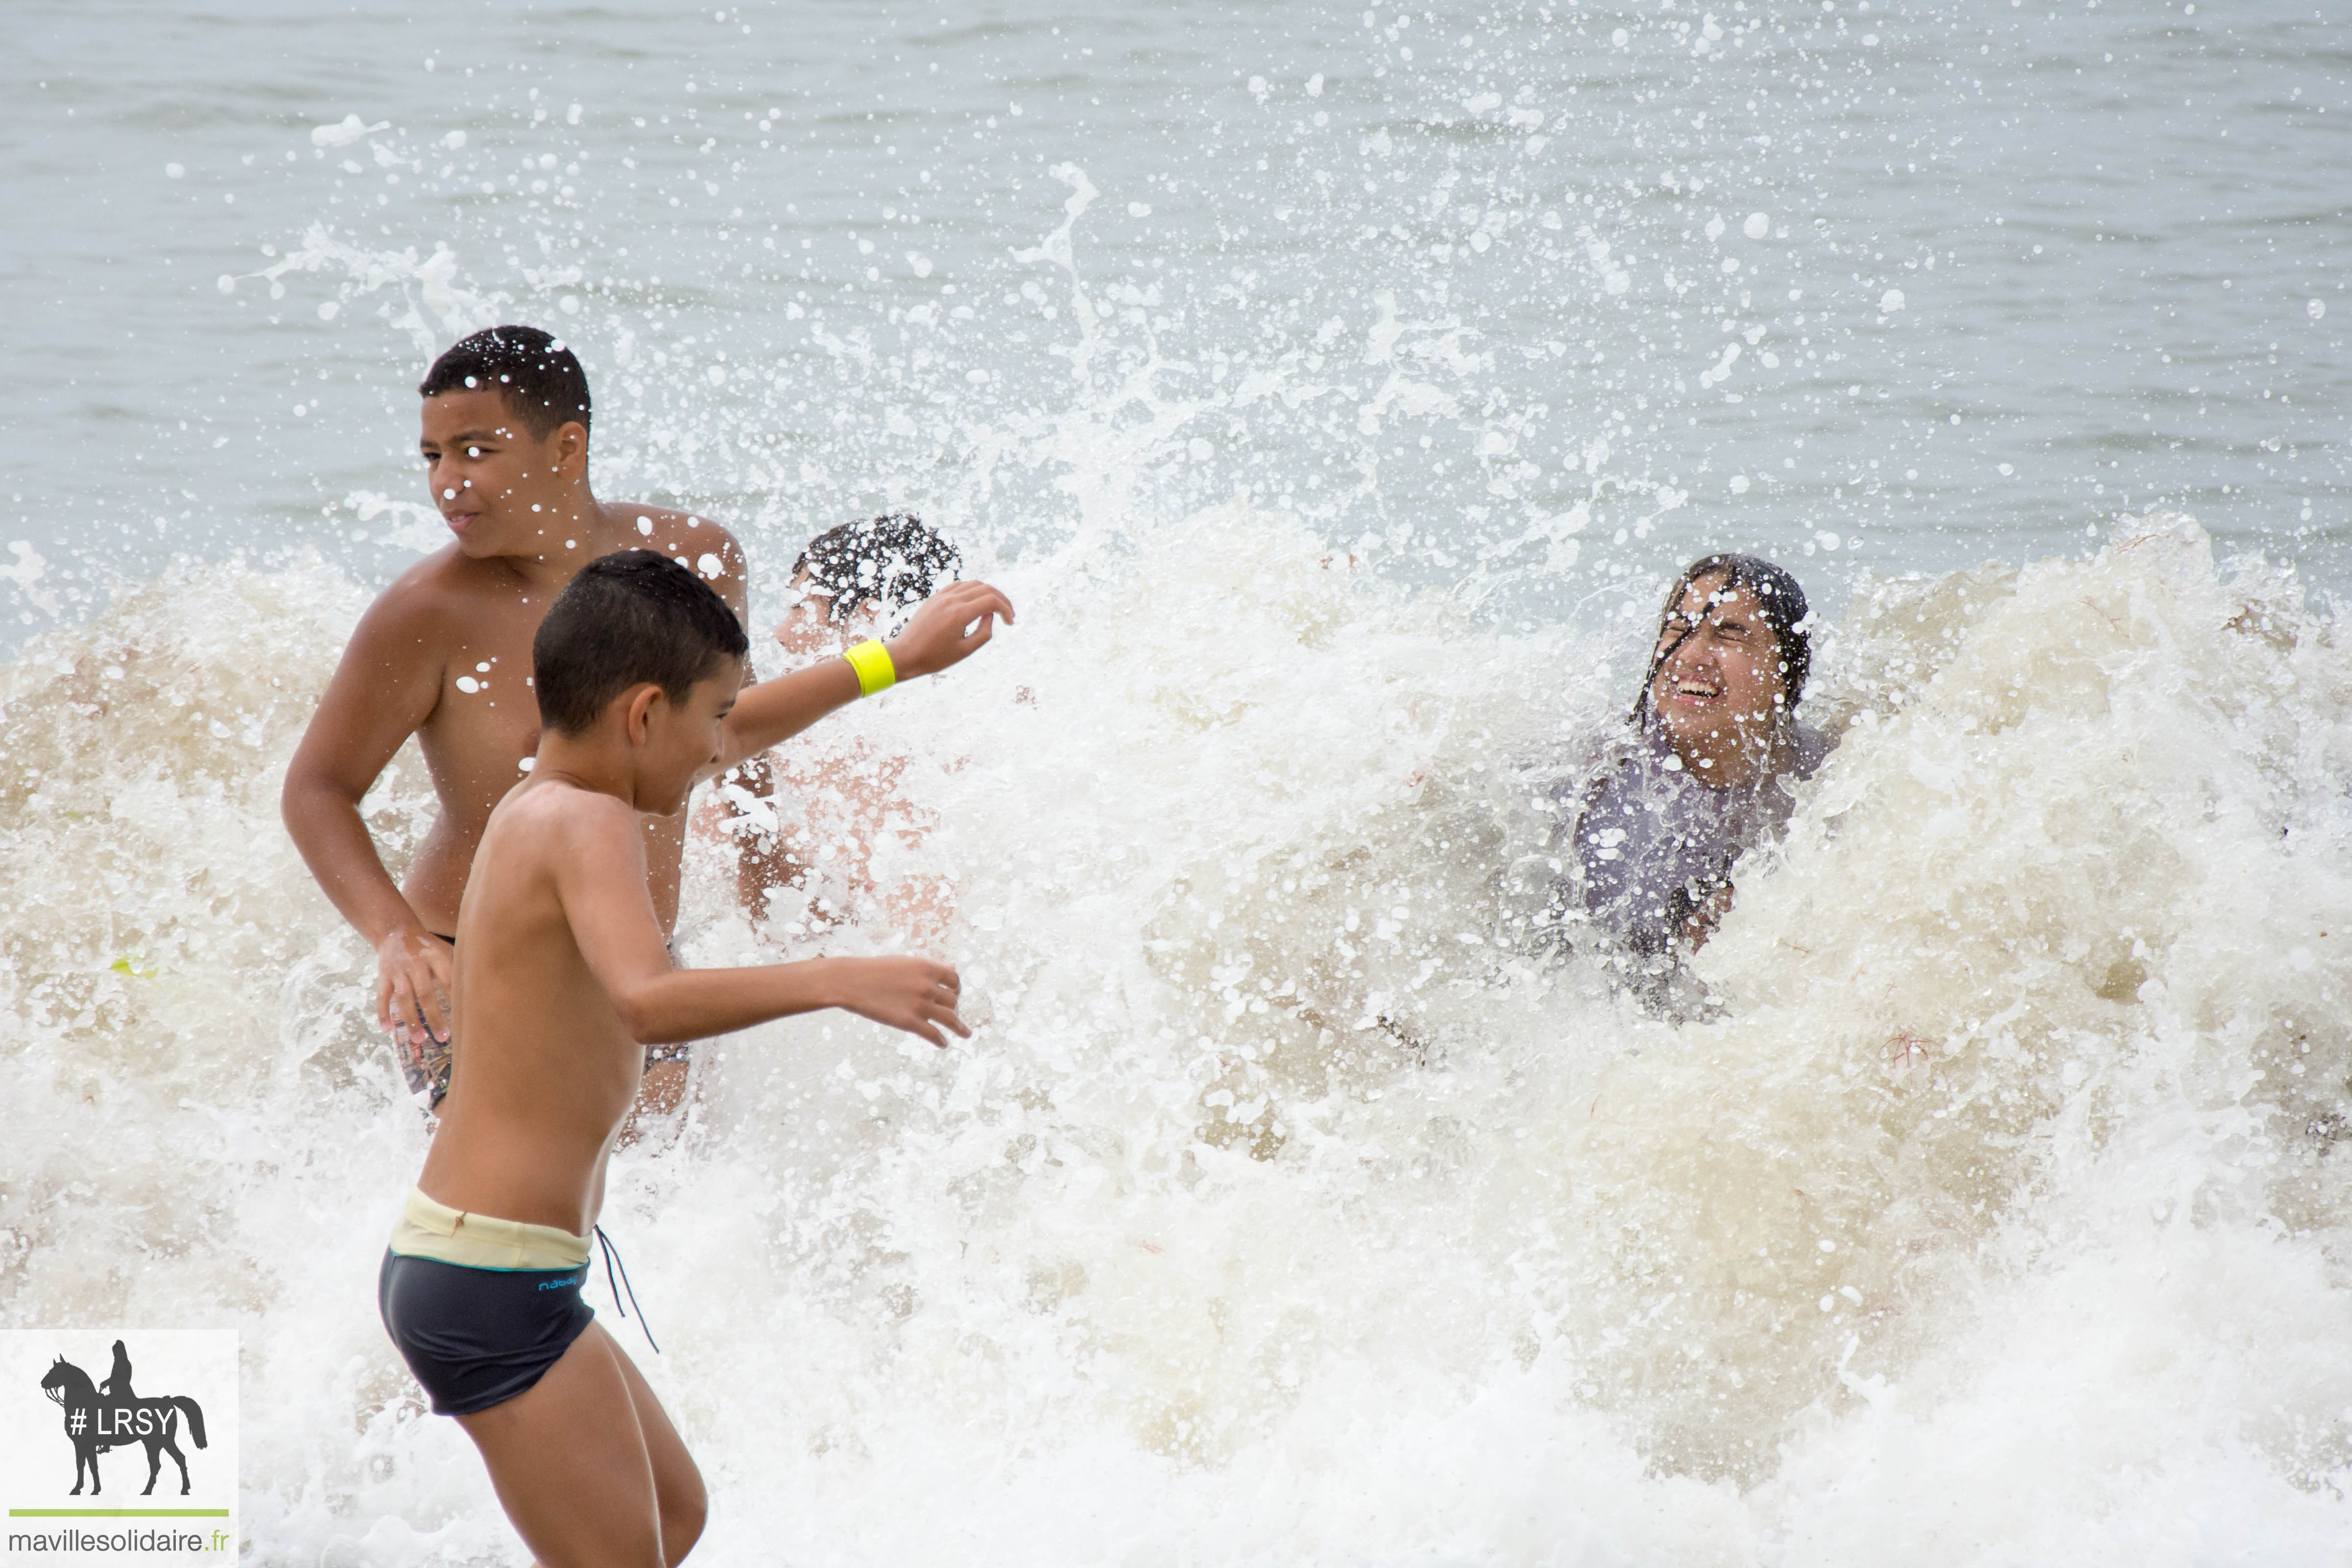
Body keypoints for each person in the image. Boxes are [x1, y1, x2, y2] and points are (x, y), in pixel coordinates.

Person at [378, 551, 972, 1568]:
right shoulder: (586, 819)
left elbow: (735, 727)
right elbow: (647, 996)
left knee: (676, 1518)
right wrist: (836, 975)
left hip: (501, 1266)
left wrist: (894, 664)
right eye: (709, 720)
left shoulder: (549, 790)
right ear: (645, 714)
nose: (721, 750)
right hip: (490, 1280)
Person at [281, 327, 1012, 1115]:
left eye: (476, 451)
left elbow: (723, 729)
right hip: (474, 968)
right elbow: (317, 789)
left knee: (667, 1208)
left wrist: (767, 849)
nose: (449, 483)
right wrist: (395, 937)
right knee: (523, 1200)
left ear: (566, 447)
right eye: (433, 457)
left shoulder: (691, 557)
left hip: (643, 960)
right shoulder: (423, 613)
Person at [1563, 553, 1831, 968]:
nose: (1691, 656)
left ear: (1789, 672)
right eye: (1678, 630)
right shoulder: (1592, 769)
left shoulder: (1833, 777)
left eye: (1729, 636)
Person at [702, 514, 961, 934]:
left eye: (800, 608)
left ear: (870, 616)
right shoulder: (971, 726)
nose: (780, 634)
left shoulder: (808, 748)